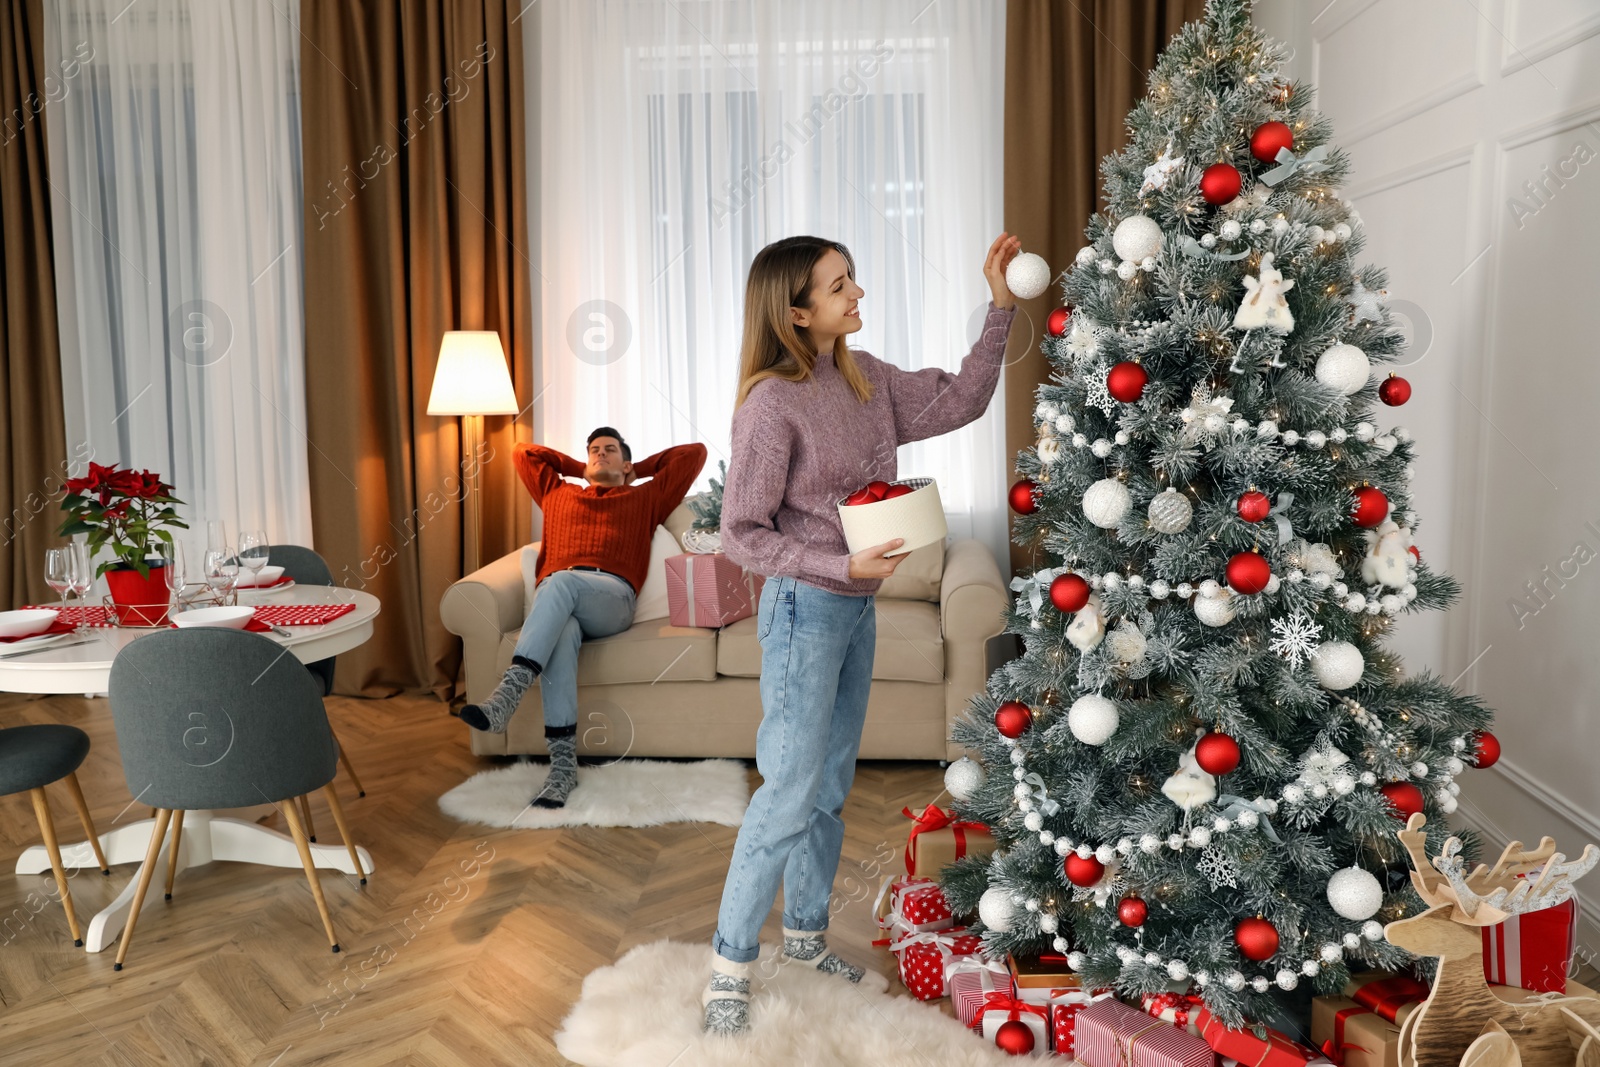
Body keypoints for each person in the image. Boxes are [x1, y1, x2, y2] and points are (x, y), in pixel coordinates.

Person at [701, 233, 1020, 1034]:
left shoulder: (864, 375)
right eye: (841, 286)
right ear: (796, 309)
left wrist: (1001, 307)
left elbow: (963, 400)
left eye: (853, 281)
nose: (858, 294)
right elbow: (739, 531)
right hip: (804, 610)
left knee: (830, 789)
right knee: (786, 793)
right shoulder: (770, 404)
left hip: (853, 611)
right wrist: (841, 564)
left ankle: (804, 938)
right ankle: (729, 964)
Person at [459, 426, 707, 808]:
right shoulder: (557, 492)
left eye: (610, 450)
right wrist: (582, 469)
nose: (600, 454)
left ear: (626, 464)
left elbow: (694, 453)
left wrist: (633, 469)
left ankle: (508, 696)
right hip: (563, 602)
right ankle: (562, 770)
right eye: (594, 450)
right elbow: (523, 452)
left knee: (559, 584)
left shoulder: (644, 497)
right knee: (562, 630)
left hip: (612, 599)